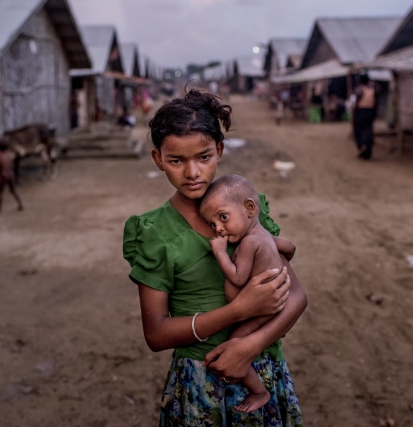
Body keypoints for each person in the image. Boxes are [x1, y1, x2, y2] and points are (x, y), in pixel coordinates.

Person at [123, 89, 306, 425]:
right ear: (158, 159)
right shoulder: (154, 233)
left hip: (263, 366)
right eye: (177, 161)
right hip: (200, 379)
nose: (192, 172)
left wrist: (250, 347)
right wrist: (238, 310)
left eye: (204, 157)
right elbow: (156, 334)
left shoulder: (245, 207)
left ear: (220, 151)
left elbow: (296, 295)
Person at [200, 174, 297, 413]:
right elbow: (291, 247)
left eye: (223, 217)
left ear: (250, 208)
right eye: (213, 224)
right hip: (275, 301)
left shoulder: (249, 243)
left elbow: (238, 277)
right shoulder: (264, 235)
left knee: (235, 342)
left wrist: (221, 253)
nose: (219, 229)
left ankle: (258, 391)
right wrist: (277, 261)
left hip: (263, 310)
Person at [0, 136, 23, 212]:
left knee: (0, 192)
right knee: (13, 190)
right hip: (11, 174)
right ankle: (20, 204)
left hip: (3, 176)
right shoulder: (9, 154)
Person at [353, 74, 376, 159]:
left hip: (361, 112)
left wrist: (354, 114)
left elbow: (356, 103)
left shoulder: (359, 90)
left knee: (359, 130)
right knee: (368, 131)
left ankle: (363, 147)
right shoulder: (372, 90)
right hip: (370, 112)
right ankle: (367, 149)